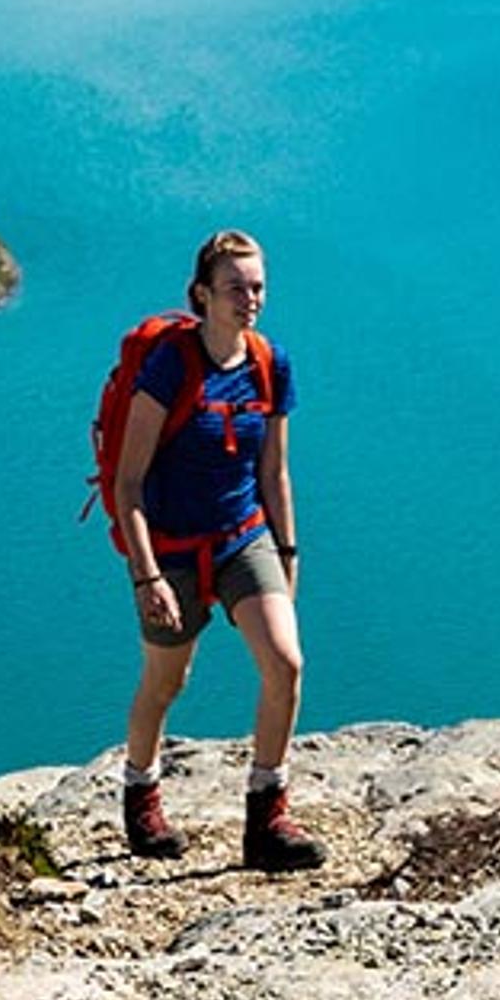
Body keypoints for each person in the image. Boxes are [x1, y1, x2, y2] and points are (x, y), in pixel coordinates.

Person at [111, 229, 324, 872]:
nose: (250, 299)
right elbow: (128, 481)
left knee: (285, 664)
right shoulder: (172, 364)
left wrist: (286, 548)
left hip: (243, 537)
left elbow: (274, 470)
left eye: (257, 287)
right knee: (166, 682)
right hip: (170, 549)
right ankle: (140, 791)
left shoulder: (269, 362)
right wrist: (147, 575)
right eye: (235, 288)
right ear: (202, 294)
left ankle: (267, 814)